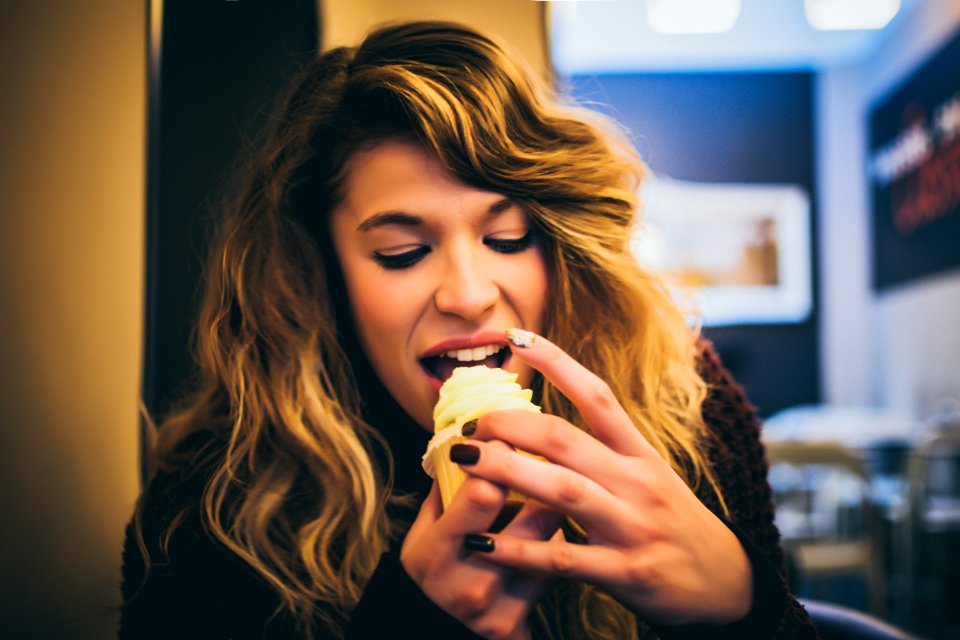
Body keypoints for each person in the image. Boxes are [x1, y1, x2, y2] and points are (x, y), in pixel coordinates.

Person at [119, 20, 820, 640]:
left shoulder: (689, 413)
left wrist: (743, 607)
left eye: (509, 239)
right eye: (402, 252)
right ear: (322, 274)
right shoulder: (216, 499)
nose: (468, 294)